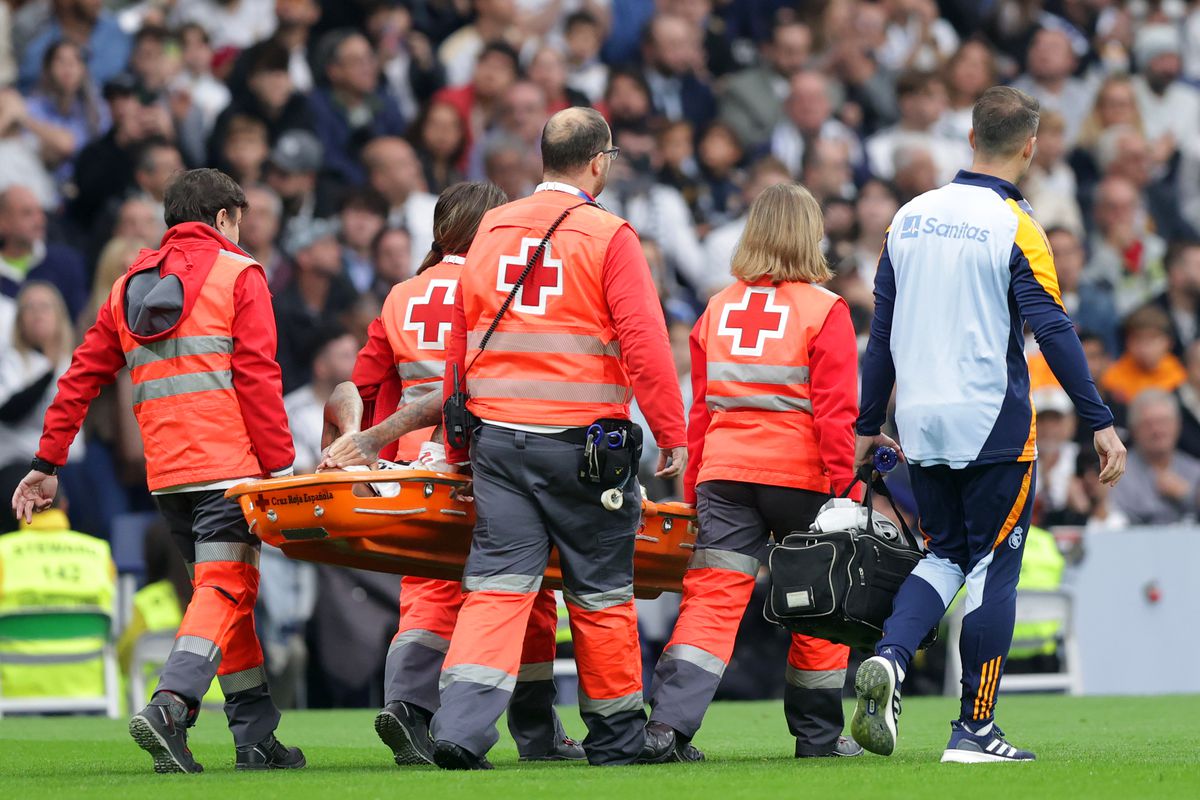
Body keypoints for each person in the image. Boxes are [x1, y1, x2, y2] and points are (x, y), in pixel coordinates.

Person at [852, 87, 1125, 763]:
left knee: (945, 553)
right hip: (991, 420)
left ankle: (889, 655)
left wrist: (867, 423)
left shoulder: (908, 218)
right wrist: (1099, 420)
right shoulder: (1015, 225)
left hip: (919, 422)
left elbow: (881, 332)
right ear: (1029, 147)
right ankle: (975, 729)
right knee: (995, 568)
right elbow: (1054, 328)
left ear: (970, 137)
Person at [11, 168, 305, 774]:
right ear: (223, 218)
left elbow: (80, 377)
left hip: (169, 476)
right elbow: (256, 376)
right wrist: (280, 466)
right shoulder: (239, 274)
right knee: (226, 591)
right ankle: (172, 705)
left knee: (225, 599)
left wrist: (47, 461)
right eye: (238, 221)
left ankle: (256, 736)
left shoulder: (125, 289)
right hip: (232, 470)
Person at [429, 107, 687, 769]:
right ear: (599, 162)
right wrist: (673, 434)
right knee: (599, 593)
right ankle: (617, 738)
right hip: (582, 449)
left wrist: (457, 432)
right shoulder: (609, 234)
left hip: (498, 442)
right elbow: (646, 345)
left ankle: (458, 728)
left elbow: (462, 335)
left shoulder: (491, 225)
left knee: (496, 586)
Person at [322, 181, 585, 767]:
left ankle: (408, 705)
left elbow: (362, 391)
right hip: (482, 453)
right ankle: (535, 729)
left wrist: (350, 450)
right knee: (527, 587)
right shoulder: (498, 284)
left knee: (428, 589)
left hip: (411, 465)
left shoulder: (400, 295)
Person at [641, 182, 863, 763]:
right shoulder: (825, 309)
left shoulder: (717, 307)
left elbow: (700, 408)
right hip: (802, 479)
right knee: (818, 605)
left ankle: (667, 727)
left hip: (725, 475)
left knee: (711, 603)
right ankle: (818, 739)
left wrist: (693, 488)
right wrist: (848, 489)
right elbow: (837, 415)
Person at [0, 507, 115, 700]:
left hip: (15, 686)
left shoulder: (3, 550)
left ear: (20, 508)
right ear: (64, 506)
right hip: (89, 683)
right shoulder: (99, 552)